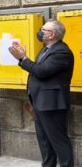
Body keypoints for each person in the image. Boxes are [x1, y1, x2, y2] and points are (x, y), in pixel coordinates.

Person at [9, 20, 74, 167]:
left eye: (42, 30)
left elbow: (41, 71)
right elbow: (38, 70)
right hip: (40, 102)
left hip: (52, 104)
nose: (40, 31)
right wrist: (23, 58)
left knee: (59, 141)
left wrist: (22, 58)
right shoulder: (46, 49)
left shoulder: (61, 51)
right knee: (44, 141)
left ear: (51, 34)